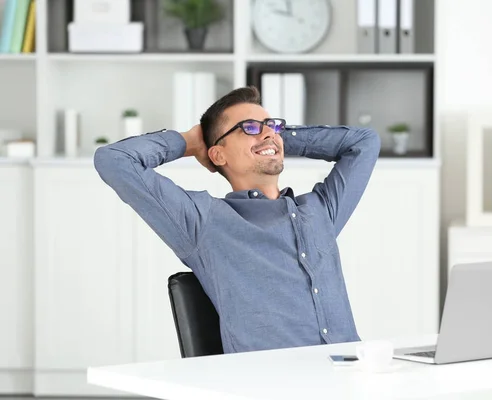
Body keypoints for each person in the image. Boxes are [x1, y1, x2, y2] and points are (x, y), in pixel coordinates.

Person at [94, 85, 381, 354]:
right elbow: (114, 160)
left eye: (273, 126)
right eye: (250, 127)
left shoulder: (320, 211)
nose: (268, 133)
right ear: (218, 154)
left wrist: (271, 140)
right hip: (271, 385)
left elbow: (365, 143)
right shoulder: (203, 221)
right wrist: (190, 141)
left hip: (351, 374)